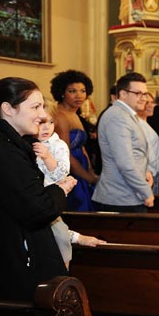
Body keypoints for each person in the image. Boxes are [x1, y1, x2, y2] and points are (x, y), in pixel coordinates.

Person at [0, 77, 77, 300]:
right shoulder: (5, 151)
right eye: (35, 107)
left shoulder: (15, 144)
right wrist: (60, 190)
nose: (42, 115)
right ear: (8, 109)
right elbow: (38, 207)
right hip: (15, 257)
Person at [33, 102, 105, 268]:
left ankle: (64, 270)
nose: (46, 128)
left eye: (51, 122)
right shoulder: (26, 142)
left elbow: (61, 174)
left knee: (59, 233)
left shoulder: (57, 145)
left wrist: (47, 157)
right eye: (41, 123)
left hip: (51, 197)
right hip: (35, 197)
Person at [92, 73, 154, 212]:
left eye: (145, 94)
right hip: (120, 196)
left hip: (128, 194)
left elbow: (136, 151)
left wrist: (146, 171)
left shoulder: (126, 115)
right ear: (123, 94)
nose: (144, 98)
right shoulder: (117, 117)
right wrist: (145, 191)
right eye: (138, 93)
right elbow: (125, 163)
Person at [50, 70, 98, 211]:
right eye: (72, 91)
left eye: (83, 91)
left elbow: (81, 146)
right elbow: (65, 153)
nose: (79, 95)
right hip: (69, 170)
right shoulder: (60, 116)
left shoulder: (74, 114)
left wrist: (90, 170)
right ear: (62, 92)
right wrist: (88, 177)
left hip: (80, 166)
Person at [137, 93, 159, 196]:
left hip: (151, 175)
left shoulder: (145, 124)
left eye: (152, 102)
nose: (150, 105)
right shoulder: (138, 126)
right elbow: (150, 156)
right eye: (146, 102)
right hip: (146, 175)